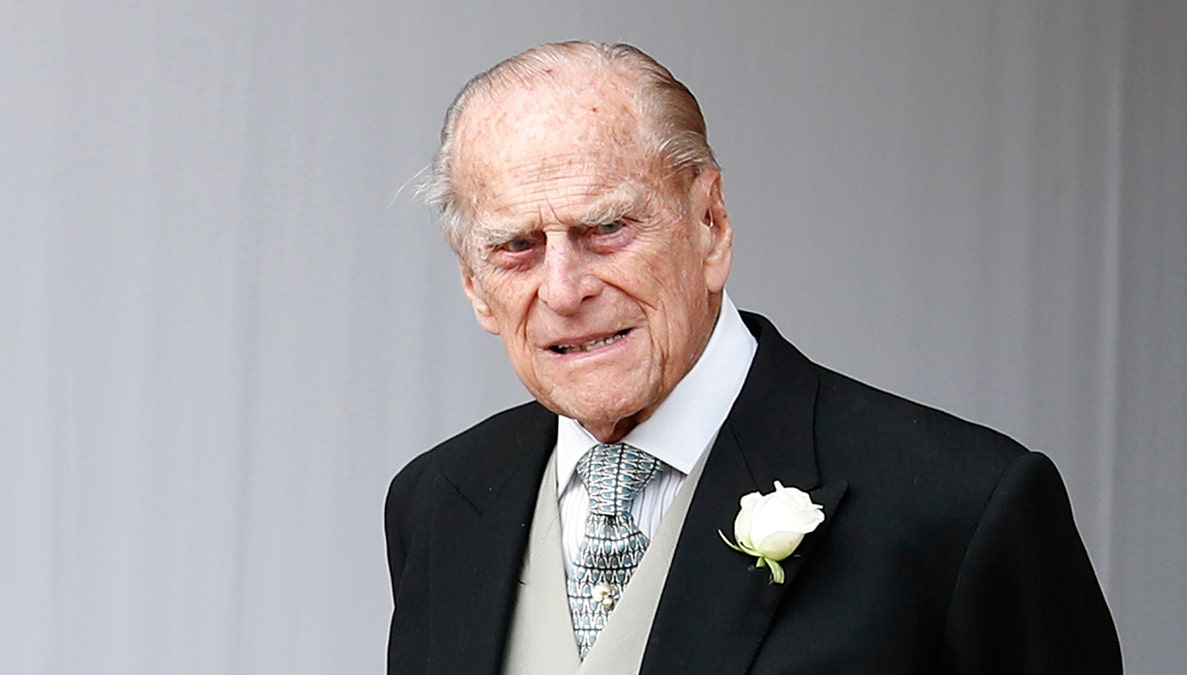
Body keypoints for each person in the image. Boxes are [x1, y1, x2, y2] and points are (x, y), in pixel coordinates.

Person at [385, 41, 1121, 674]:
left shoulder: (965, 508)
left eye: (606, 227)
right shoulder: (438, 501)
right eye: (516, 247)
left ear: (710, 223)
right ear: (474, 284)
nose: (565, 288)